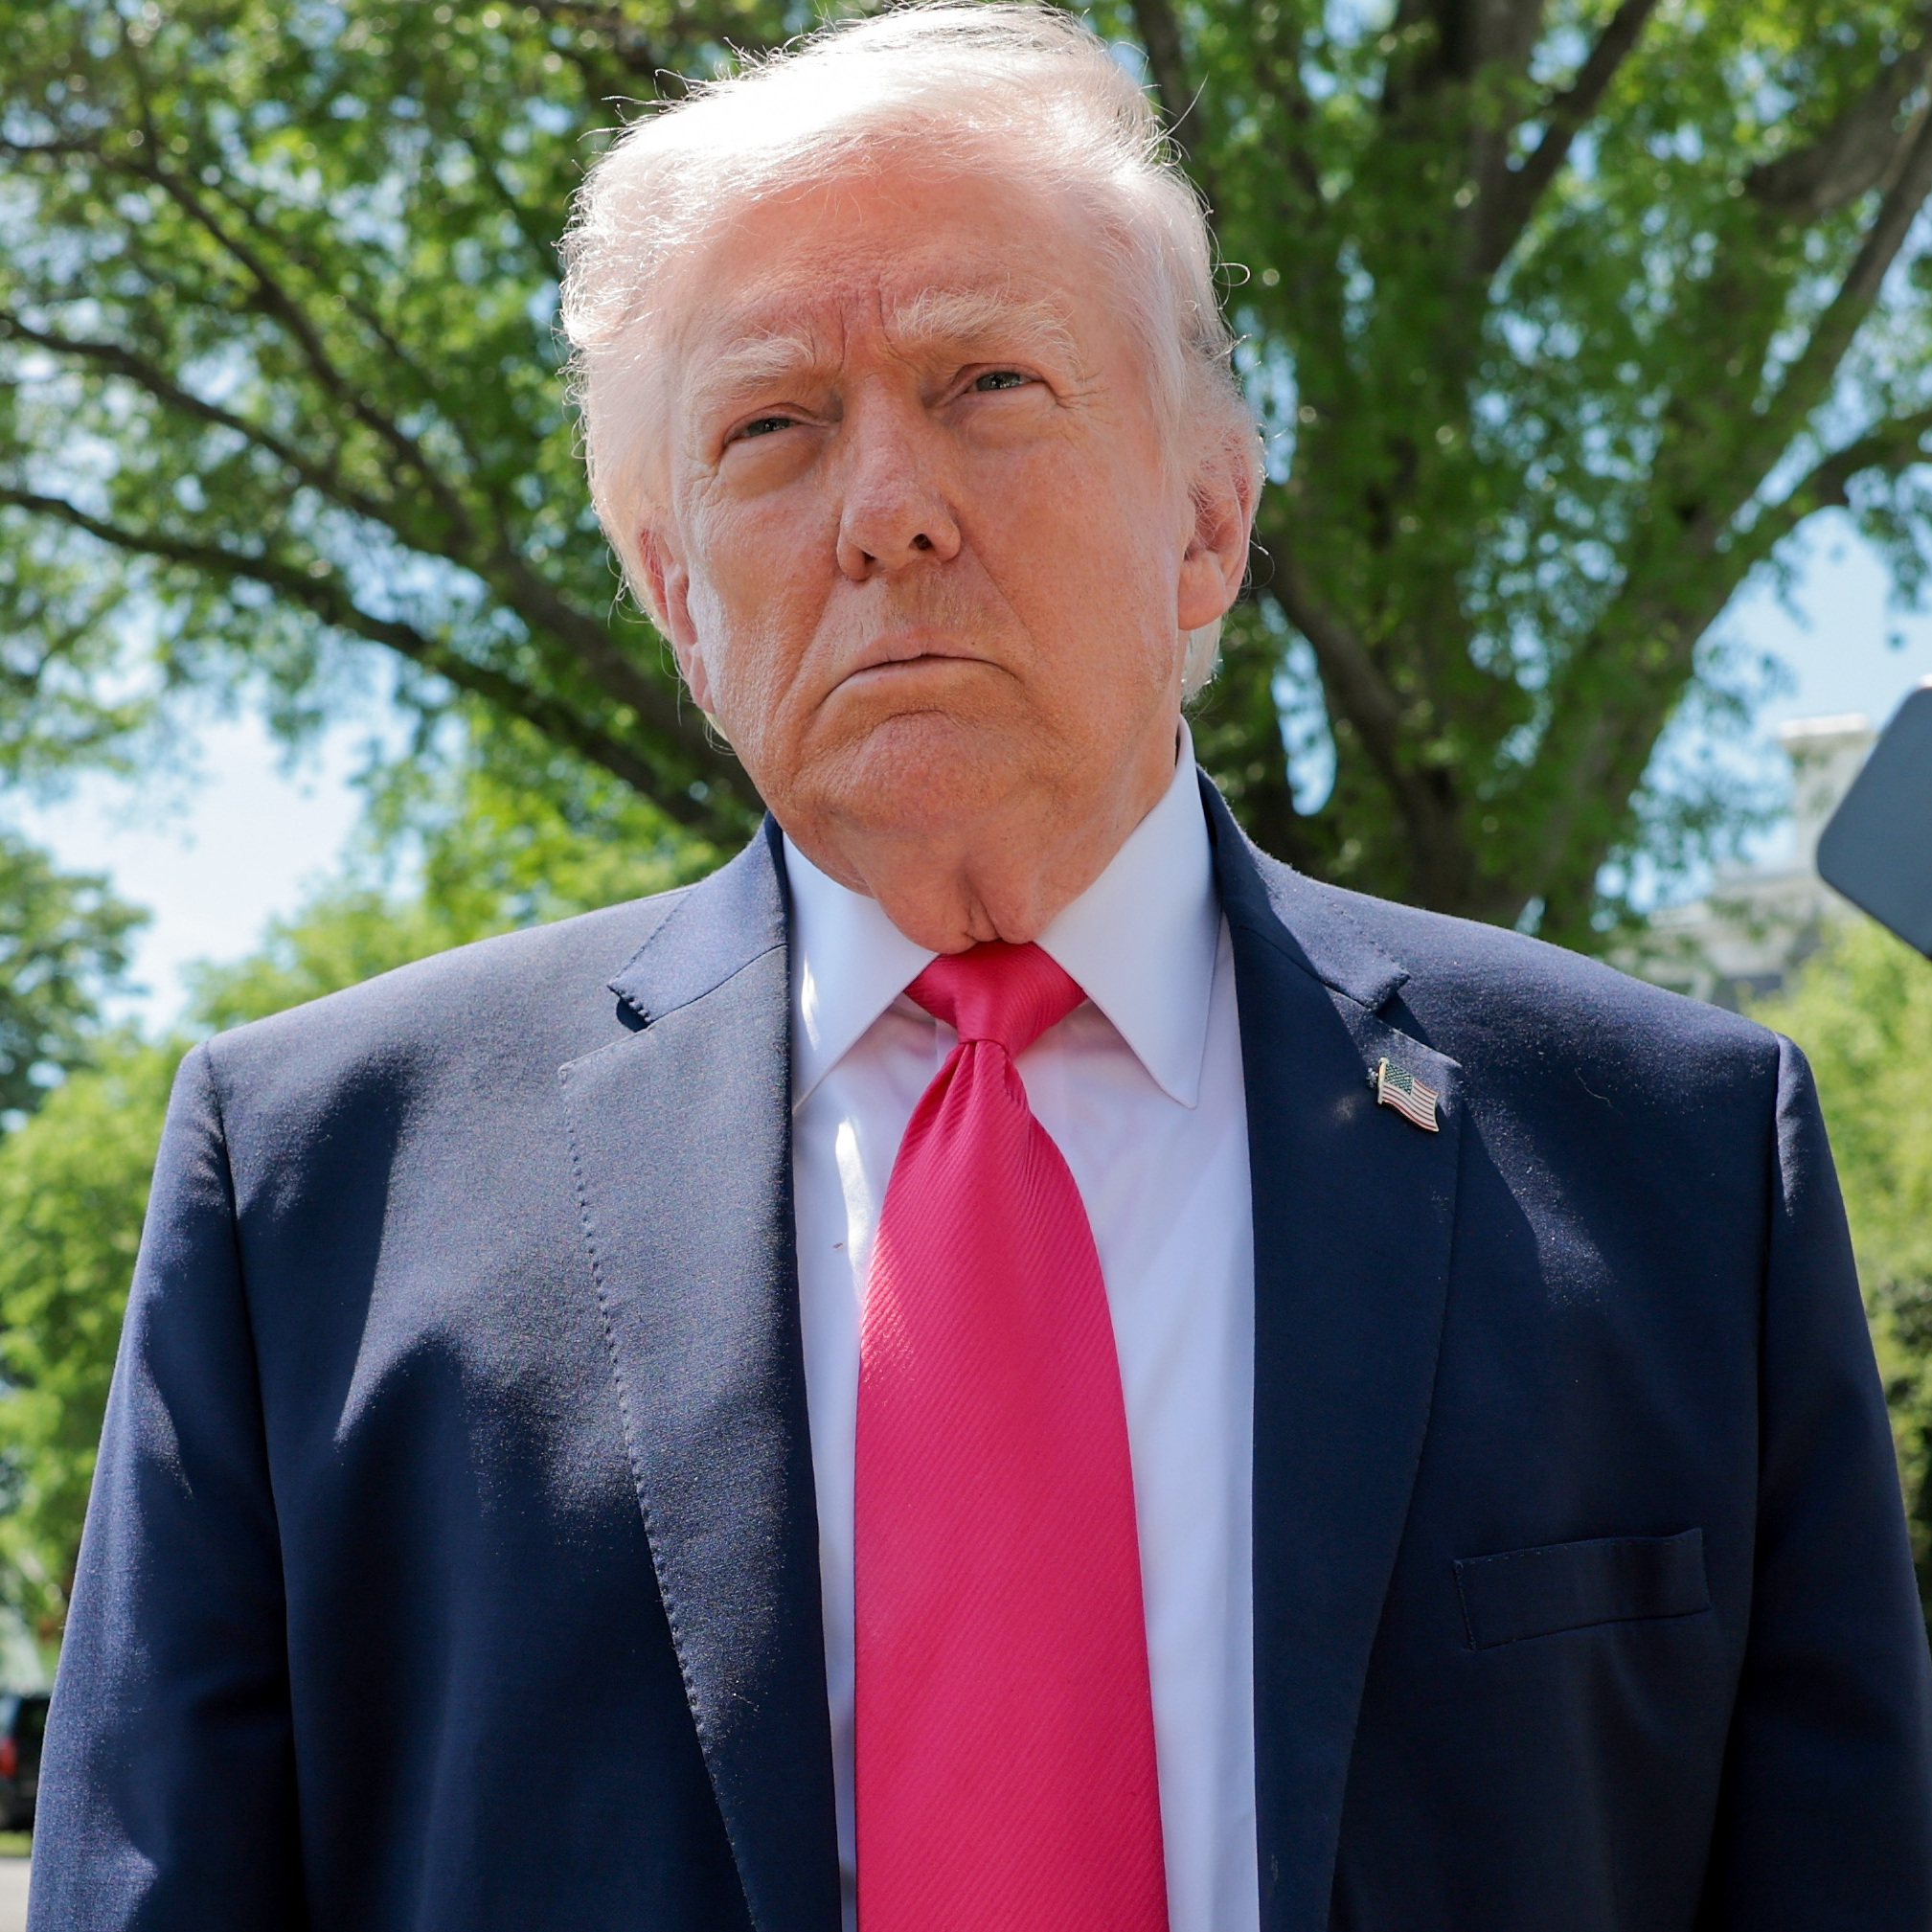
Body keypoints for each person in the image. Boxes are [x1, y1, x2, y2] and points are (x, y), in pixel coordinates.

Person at [29, 9, 1932, 1929]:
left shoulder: (1673, 1162)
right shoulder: (313, 1195)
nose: (887, 510)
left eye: (989, 384)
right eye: (772, 426)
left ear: (1207, 518)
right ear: (676, 594)